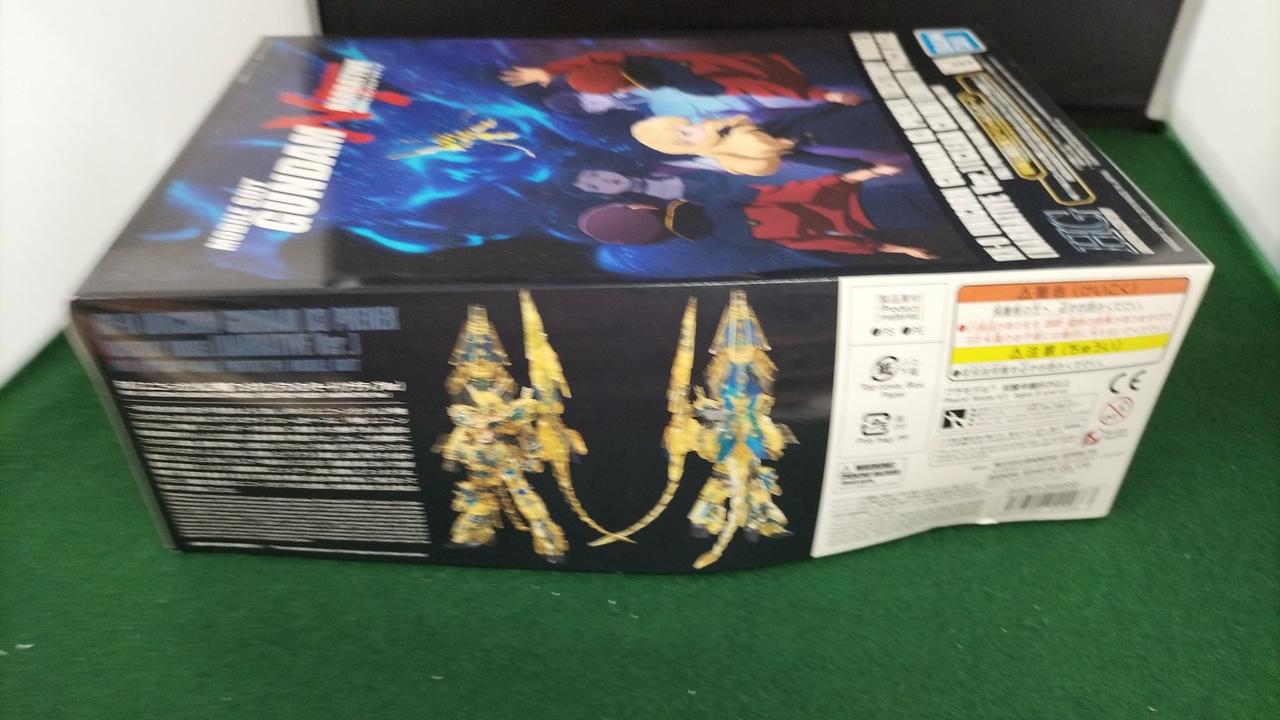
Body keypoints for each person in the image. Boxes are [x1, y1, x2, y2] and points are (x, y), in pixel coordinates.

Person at [576, 165, 938, 259]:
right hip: (873, 199)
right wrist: (863, 174)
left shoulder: (735, 239)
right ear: (640, 208)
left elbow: (819, 243)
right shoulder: (719, 204)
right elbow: (799, 190)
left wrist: (899, 248)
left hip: (879, 220)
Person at [501, 50, 862, 104]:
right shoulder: (648, 60)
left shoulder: (689, 85)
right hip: (781, 56)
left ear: (622, 88)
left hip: (805, 76)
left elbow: (757, 87)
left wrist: (822, 95)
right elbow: (598, 58)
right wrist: (550, 70)